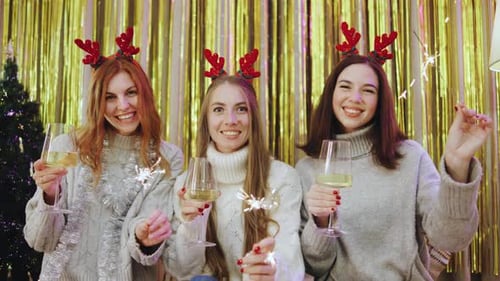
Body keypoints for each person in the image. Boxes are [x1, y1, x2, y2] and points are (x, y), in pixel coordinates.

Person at [296, 22, 493, 280]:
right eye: (345, 87)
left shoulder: (410, 157)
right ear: (331, 93)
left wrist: (457, 164)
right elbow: (314, 267)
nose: (355, 98)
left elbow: (451, 238)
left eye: (368, 91)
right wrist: (321, 223)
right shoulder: (307, 169)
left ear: (380, 102)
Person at [24, 27, 187, 280]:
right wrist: (50, 194)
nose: (123, 106)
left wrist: (144, 235)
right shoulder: (67, 146)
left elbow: (151, 245)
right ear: (97, 102)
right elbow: (39, 240)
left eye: (130, 92)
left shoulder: (166, 156)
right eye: (110, 97)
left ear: (144, 93)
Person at [168, 49, 305, 281]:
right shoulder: (186, 184)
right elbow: (182, 271)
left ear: (253, 118)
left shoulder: (282, 178)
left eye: (241, 109)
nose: (230, 120)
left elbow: (290, 260)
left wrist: (271, 267)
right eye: (219, 109)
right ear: (206, 120)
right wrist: (192, 226)